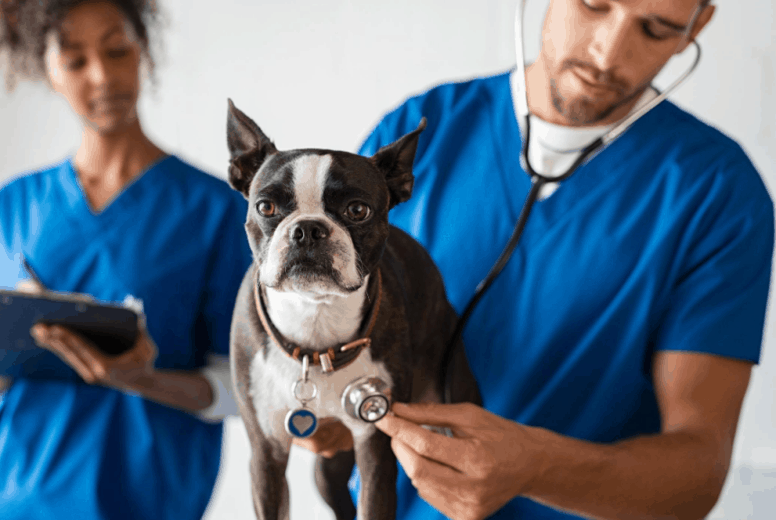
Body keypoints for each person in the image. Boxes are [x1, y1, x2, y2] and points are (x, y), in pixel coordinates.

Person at [297, 1, 775, 519]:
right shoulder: (418, 133)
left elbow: (698, 472)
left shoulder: (717, 193)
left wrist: (537, 468)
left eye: (655, 29)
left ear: (695, 28)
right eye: (594, 4)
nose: (608, 52)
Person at [0, 1, 251, 518]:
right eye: (76, 61)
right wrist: (17, 334)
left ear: (142, 48)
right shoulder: (17, 203)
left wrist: (139, 379)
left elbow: (245, 391)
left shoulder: (214, 211)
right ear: (47, 69)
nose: (103, 76)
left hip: (136, 502)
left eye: (116, 49)